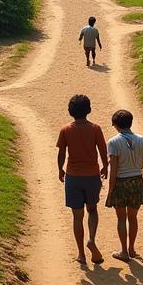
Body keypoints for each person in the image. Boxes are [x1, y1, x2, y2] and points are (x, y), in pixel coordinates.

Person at [56, 94, 108, 265]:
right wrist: (105, 166)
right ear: (89, 110)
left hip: (73, 176)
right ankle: (91, 239)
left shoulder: (65, 130)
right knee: (92, 210)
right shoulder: (95, 128)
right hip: (92, 176)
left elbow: (62, 153)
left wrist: (60, 170)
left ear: (70, 111)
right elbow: (102, 150)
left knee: (77, 216)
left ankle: (81, 254)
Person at [104, 109, 143, 261]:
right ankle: (132, 249)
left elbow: (114, 168)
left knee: (121, 218)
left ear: (115, 124)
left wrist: (110, 189)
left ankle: (123, 251)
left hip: (120, 182)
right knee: (133, 217)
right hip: (137, 181)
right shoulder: (141, 139)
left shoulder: (113, 142)